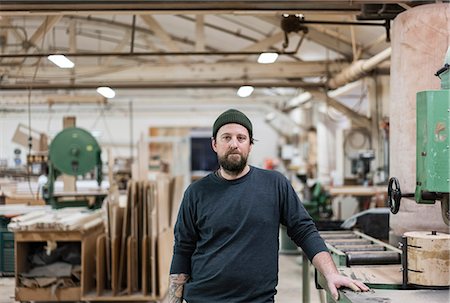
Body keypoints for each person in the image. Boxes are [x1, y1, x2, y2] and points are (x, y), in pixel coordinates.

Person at [169, 109, 369, 303]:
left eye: (241, 138)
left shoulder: (274, 184)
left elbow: (304, 230)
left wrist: (332, 274)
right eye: (226, 137)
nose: (234, 144)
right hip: (204, 298)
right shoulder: (196, 193)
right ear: (214, 144)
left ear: (250, 145)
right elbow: (182, 249)